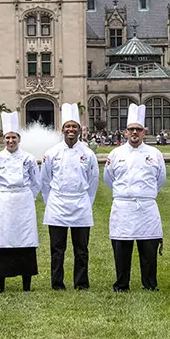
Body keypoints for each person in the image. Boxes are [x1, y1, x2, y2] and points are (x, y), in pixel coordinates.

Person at [104, 103, 166, 292]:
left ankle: (149, 283)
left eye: (138, 129)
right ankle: (121, 284)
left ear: (144, 131)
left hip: (146, 207)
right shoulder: (116, 154)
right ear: (125, 132)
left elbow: (160, 178)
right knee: (122, 248)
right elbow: (109, 178)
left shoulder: (154, 154)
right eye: (131, 129)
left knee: (148, 248)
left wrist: (144, 193)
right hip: (123, 206)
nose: (134, 133)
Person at [41, 103, 98, 290]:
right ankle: (57, 283)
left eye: (74, 126)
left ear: (79, 130)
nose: (71, 130)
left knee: (81, 250)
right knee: (57, 249)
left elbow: (94, 181)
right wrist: (51, 202)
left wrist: (87, 202)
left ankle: (81, 283)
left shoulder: (88, 154)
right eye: (68, 126)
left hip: (80, 203)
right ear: (62, 129)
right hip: (58, 203)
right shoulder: (51, 153)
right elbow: (45, 181)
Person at [0, 111, 42, 293]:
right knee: (2, 240)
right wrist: (0, 200)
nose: (11, 141)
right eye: (8, 137)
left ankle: (27, 285)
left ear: (19, 138)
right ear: (3, 139)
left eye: (14, 137)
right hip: (3, 202)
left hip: (24, 202)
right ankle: (0, 285)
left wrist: (26, 197)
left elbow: (37, 182)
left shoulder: (29, 158)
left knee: (25, 241)